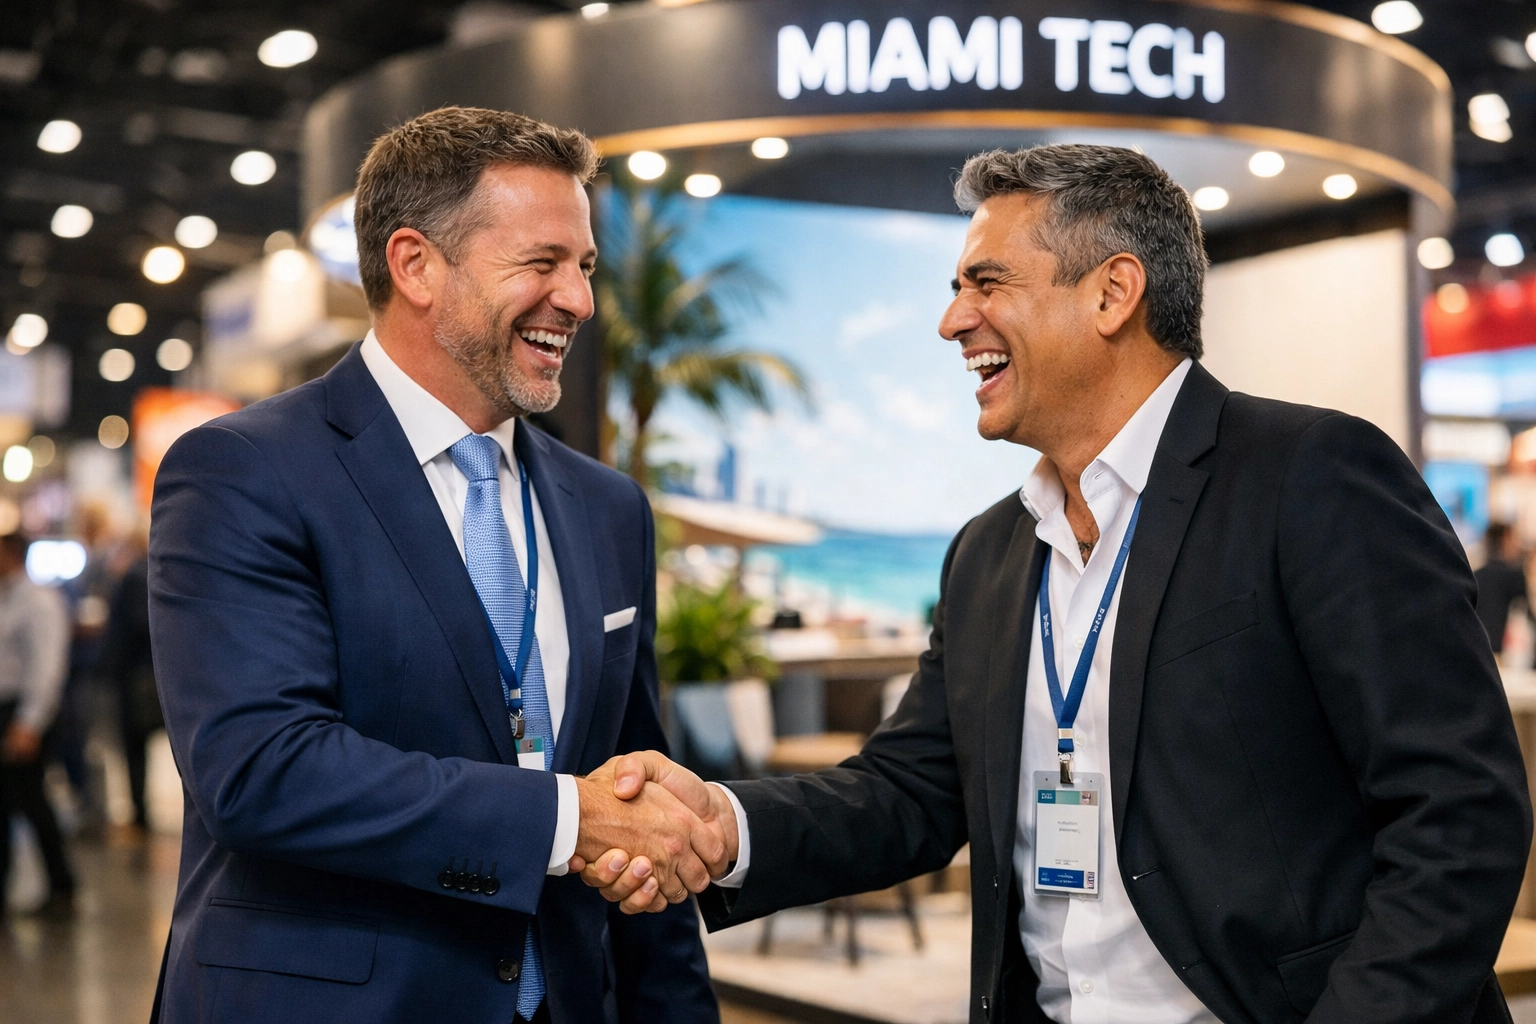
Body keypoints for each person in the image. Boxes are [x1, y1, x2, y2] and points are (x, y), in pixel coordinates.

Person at [579, 145, 1534, 1024]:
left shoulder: (1314, 475)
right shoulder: (988, 554)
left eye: (986, 283)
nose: (954, 320)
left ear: (1114, 291)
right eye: (957, 288)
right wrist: (723, 822)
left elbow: (1459, 812)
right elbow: (912, 793)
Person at [148, 107, 724, 1024]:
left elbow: (635, 789)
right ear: (416, 264)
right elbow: (261, 771)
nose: (577, 300)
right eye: (541, 264)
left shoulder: (608, 507)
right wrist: (565, 822)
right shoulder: (245, 471)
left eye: (584, 268)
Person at [0, 530, 74, 916]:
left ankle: (61, 886)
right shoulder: (7, 596)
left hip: (24, 712)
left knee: (33, 802)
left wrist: (29, 722)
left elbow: (47, 669)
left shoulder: (39, 601)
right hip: (6, 709)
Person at [95, 550, 158, 831]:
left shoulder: (134, 577)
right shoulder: (146, 574)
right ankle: (140, 813)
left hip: (137, 679)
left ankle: (140, 815)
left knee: (134, 748)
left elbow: (136, 628)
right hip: (144, 675)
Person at [1475, 521, 1529, 656]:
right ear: (1505, 540)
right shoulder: (1514, 577)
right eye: (1514, 539)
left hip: (1480, 650)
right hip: (1508, 654)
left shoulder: (1476, 575)